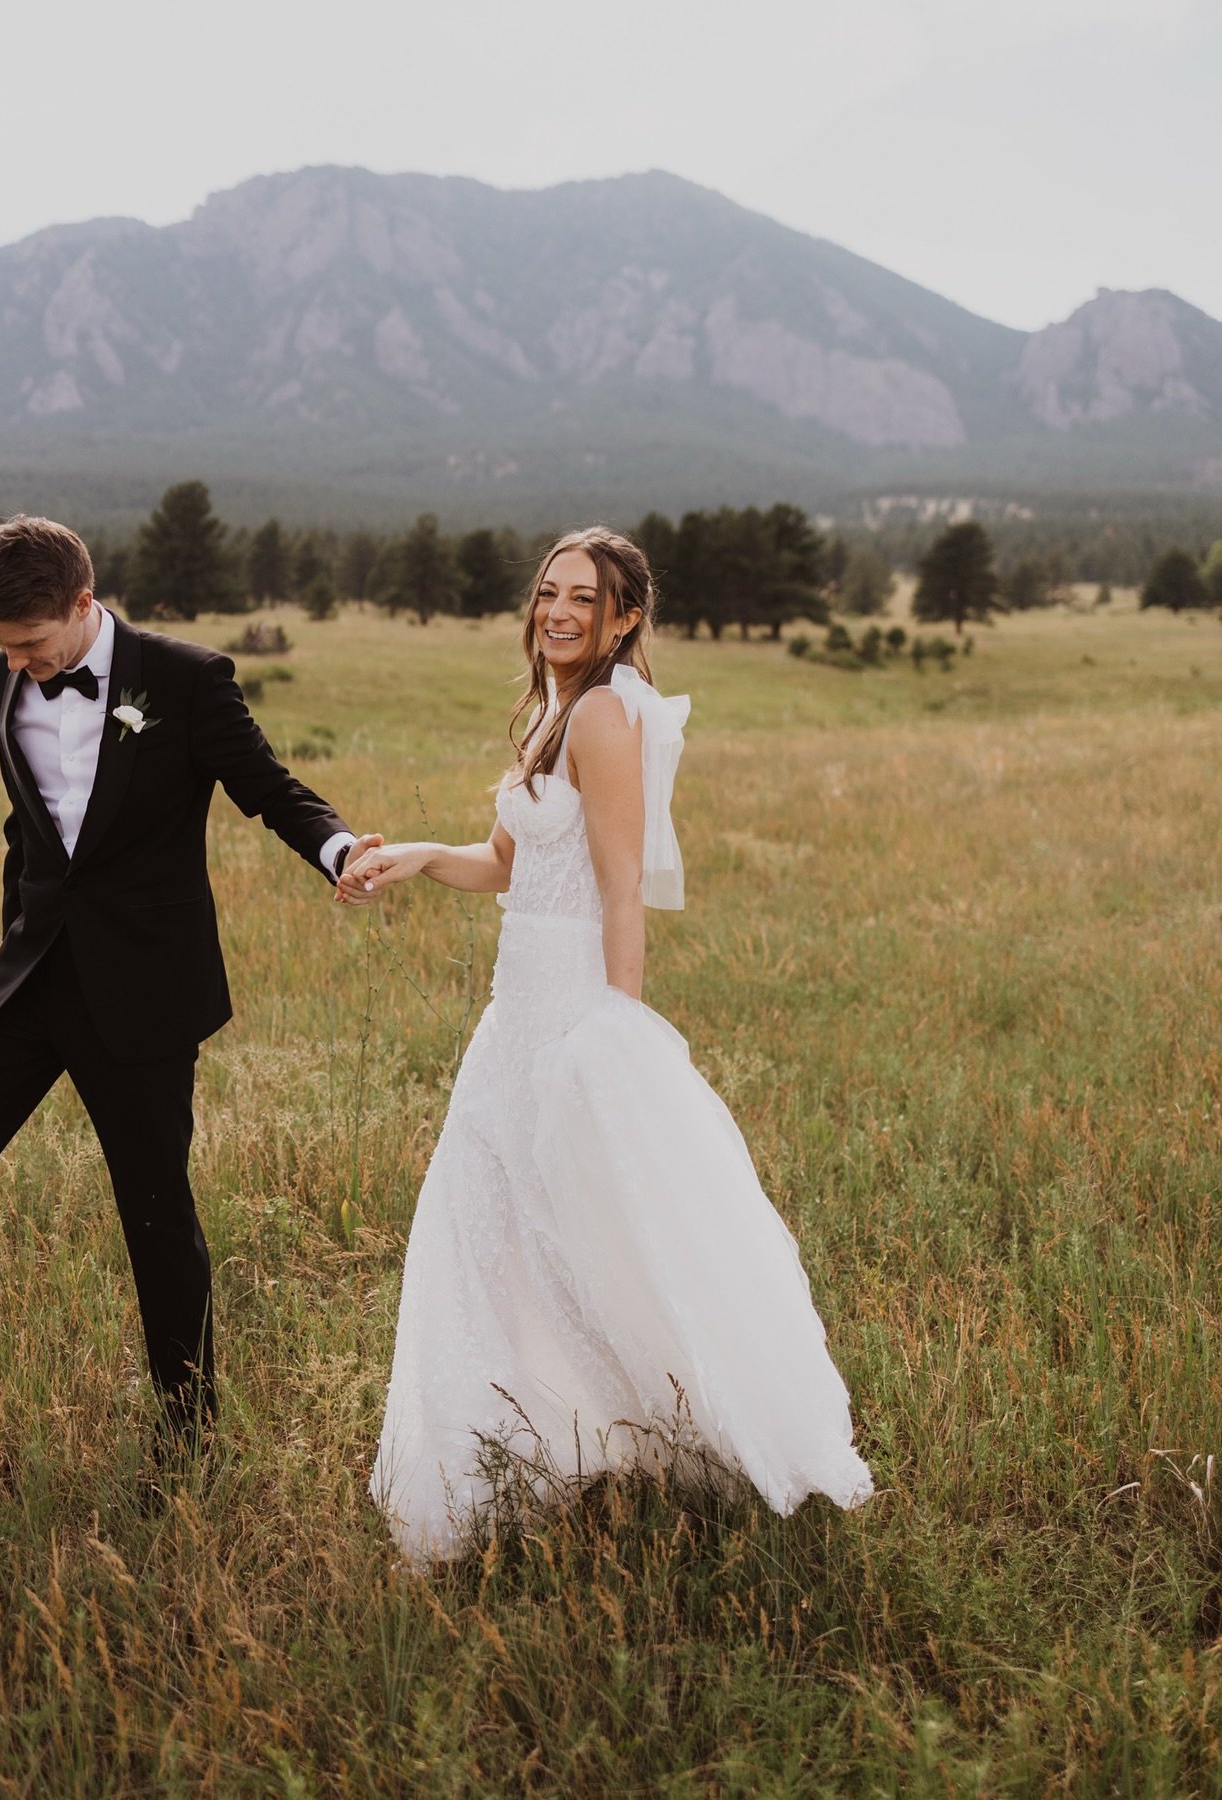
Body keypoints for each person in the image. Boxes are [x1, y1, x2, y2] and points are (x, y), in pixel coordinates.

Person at [337, 526, 873, 1563]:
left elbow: (621, 888)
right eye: (549, 592)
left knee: (601, 1231)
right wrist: (409, 856)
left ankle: (670, 1434)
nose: (560, 611)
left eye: (585, 598)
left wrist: (617, 1032)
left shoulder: (605, 716)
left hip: (576, 1012)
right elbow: (504, 864)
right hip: (514, 1015)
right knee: (494, 1229)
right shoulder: (552, 707)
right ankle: (515, 1447)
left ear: (626, 616)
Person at [0, 516, 382, 1456]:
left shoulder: (186, 679)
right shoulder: (0, 677)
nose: (20, 665)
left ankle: (187, 1433)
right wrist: (11, 941)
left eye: (32, 644)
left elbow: (270, 788)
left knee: (154, 1209)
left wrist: (340, 848)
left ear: (83, 601)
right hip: (28, 986)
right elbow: (28, 828)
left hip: (144, 992)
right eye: (1, 647)